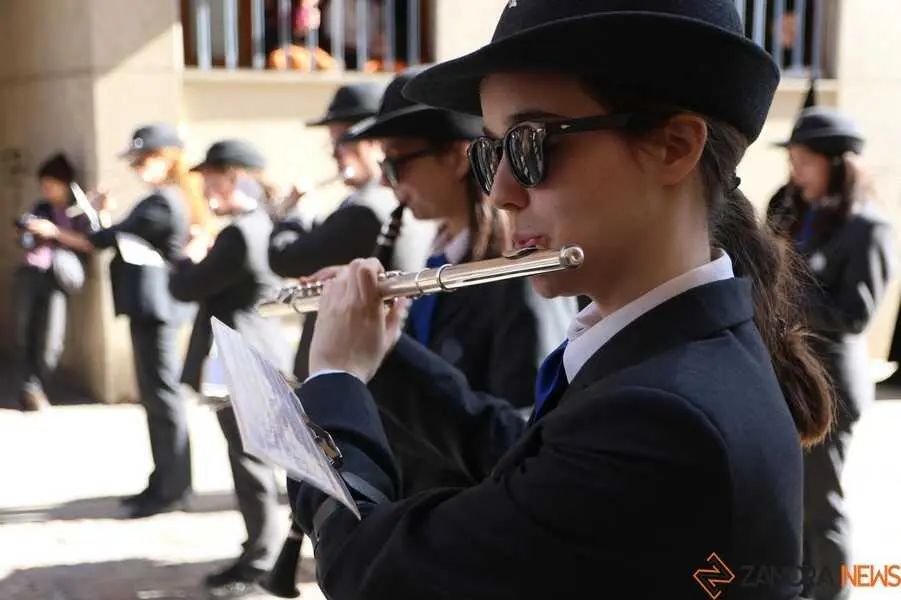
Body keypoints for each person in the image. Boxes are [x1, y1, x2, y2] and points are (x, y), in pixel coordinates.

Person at [283, 1, 837, 598]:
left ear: (674, 146)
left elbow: (374, 571)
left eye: (530, 144)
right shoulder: (654, 352)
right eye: (490, 152)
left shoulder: (661, 416)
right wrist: (385, 354)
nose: (499, 191)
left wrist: (334, 379)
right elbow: (521, 458)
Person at [339, 65, 577, 495]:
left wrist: (388, 352)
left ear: (454, 158)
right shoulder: (435, 258)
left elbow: (521, 438)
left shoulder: (520, 278)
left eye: (397, 164)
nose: (387, 182)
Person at [29, 124, 207, 518]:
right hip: (150, 308)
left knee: (163, 399)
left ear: (168, 158)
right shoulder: (162, 200)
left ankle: (172, 489)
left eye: (145, 159)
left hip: (156, 309)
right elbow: (114, 236)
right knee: (157, 398)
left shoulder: (163, 202)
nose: (138, 167)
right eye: (136, 161)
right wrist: (102, 217)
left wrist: (93, 221)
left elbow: (104, 239)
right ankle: (163, 481)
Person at [767, 107, 897, 600]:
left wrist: (781, 289)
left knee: (820, 507)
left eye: (805, 161)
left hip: (831, 388)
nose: (795, 171)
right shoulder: (792, 208)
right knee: (789, 503)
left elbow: (854, 315)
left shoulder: (868, 228)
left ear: (836, 165)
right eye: (793, 159)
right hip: (785, 376)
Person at [168, 140, 294, 597]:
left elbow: (186, 287)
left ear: (238, 176)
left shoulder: (241, 232)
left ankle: (259, 559)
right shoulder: (261, 224)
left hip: (236, 355)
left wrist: (188, 254)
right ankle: (256, 551)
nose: (205, 189)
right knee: (250, 456)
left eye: (212, 179)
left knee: (249, 459)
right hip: (248, 350)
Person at [269, 80, 435, 380]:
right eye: (332, 144)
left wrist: (292, 213)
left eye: (343, 142)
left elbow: (285, 258)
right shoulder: (372, 203)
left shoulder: (364, 209)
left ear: (372, 142)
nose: (334, 154)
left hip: (356, 375)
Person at [13, 153, 93, 411]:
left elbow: (89, 243)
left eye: (51, 184)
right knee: (26, 333)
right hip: (31, 273)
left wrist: (54, 231)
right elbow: (26, 240)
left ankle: (36, 386)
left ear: (64, 183)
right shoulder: (41, 208)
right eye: (43, 185)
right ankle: (31, 388)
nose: (46, 190)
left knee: (51, 341)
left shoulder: (78, 211)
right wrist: (27, 232)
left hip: (57, 279)